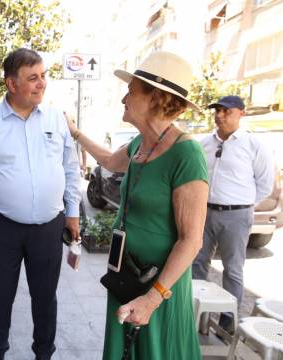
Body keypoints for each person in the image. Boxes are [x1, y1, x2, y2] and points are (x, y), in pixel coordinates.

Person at [67, 51, 209, 359]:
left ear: (155, 98)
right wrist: (76, 133)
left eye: (131, 91)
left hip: (156, 285)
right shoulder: (138, 144)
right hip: (126, 274)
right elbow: (107, 159)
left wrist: (152, 299)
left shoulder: (187, 154)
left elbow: (192, 239)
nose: (123, 99)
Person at [0, 48, 82, 360]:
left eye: (43, 76)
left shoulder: (57, 119)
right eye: (33, 78)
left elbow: (71, 168)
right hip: (2, 228)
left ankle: (44, 353)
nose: (41, 83)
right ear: (11, 85)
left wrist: (72, 213)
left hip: (49, 226)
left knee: (45, 297)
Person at [192, 95, 274, 331]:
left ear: (241, 113)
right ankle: (197, 318)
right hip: (205, 212)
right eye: (217, 110)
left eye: (226, 111)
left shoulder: (254, 145)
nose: (219, 115)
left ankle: (228, 324)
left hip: (236, 216)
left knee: (233, 270)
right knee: (197, 263)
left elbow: (265, 184)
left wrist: (243, 206)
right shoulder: (204, 143)